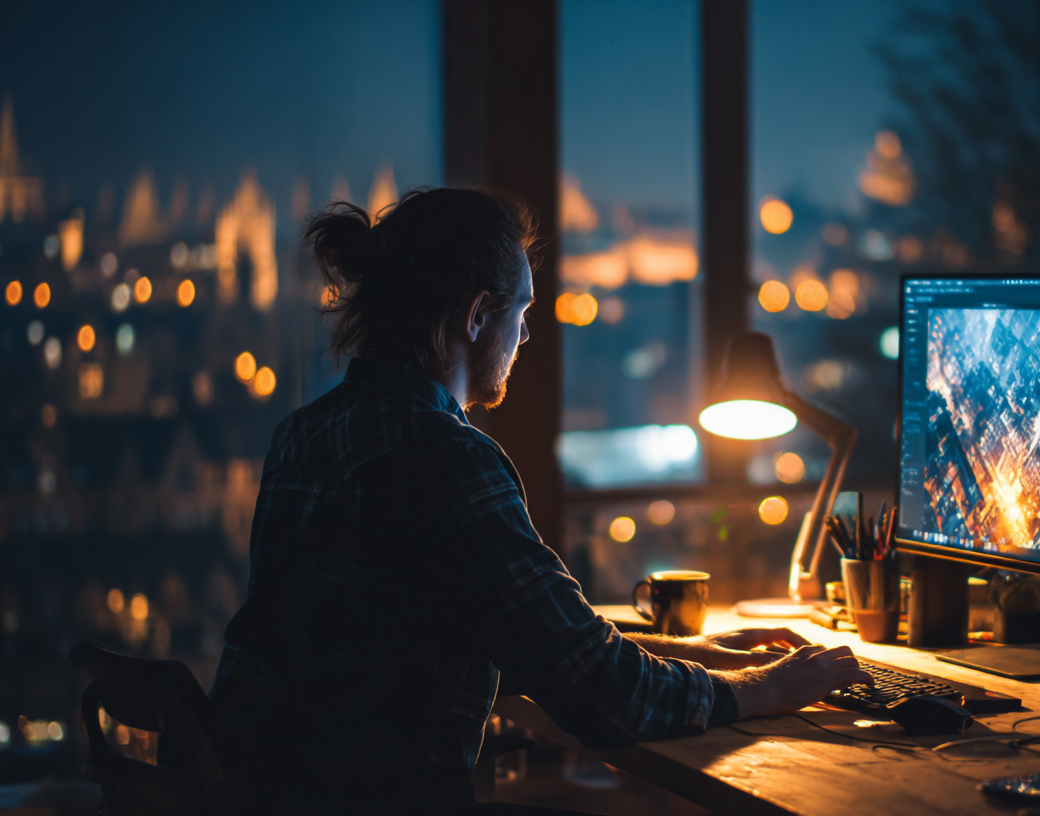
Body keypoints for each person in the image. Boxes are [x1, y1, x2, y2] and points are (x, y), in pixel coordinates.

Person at [208, 187, 872, 814]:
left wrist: (717, 657)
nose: (525, 338)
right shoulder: (446, 459)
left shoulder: (302, 435)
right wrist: (770, 688)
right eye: (522, 313)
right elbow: (602, 693)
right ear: (476, 316)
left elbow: (540, 643)